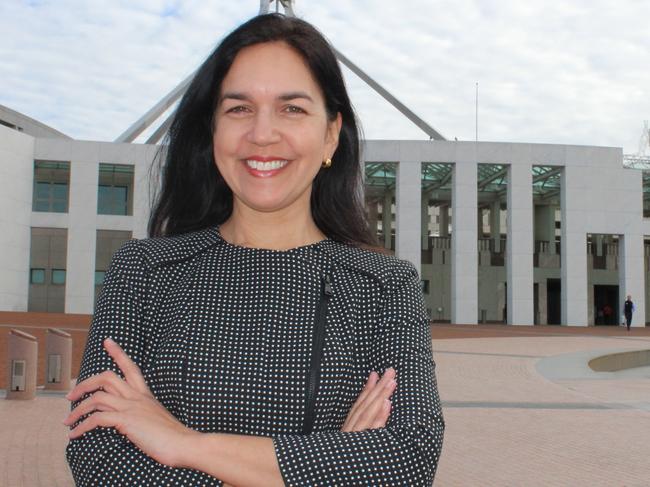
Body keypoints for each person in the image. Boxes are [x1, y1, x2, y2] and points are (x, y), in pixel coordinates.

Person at [63, 13, 444, 486]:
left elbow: (407, 458)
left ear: (330, 134)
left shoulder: (383, 287)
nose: (262, 134)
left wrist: (182, 444)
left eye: (292, 109)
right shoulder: (144, 273)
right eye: (239, 109)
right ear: (212, 131)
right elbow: (99, 456)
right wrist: (326, 467)